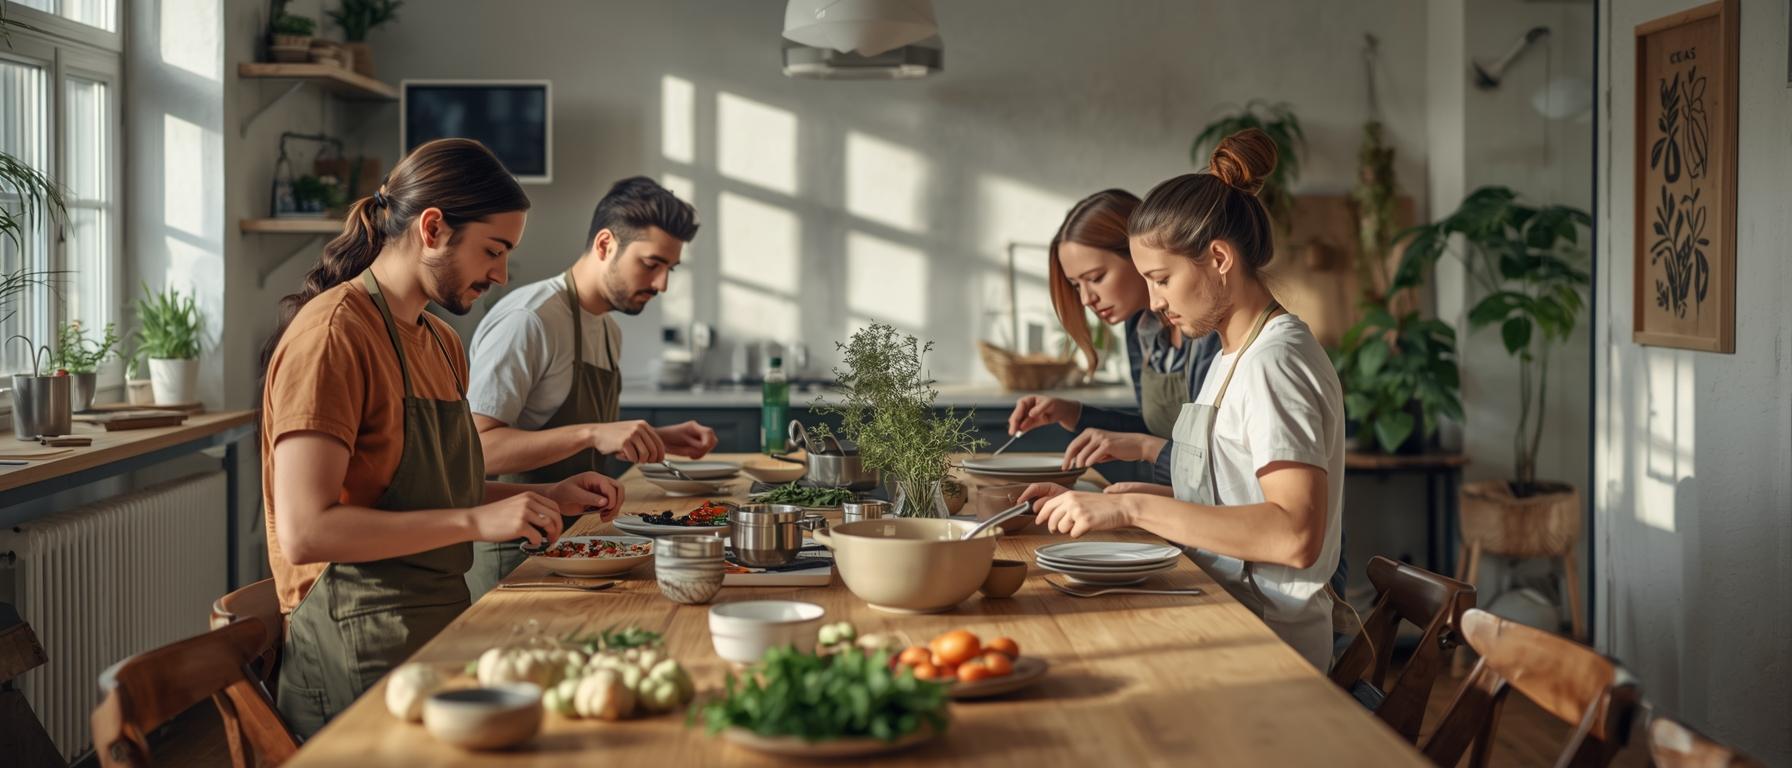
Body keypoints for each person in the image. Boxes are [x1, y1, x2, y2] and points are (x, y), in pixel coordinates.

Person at [259, 139, 624, 736]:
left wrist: (545, 496)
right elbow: (307, 532)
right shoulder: (332, 335)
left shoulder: (439, 341)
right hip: (358, 640)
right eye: (494, 250)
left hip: (442, 627)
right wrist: (479, 523)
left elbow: (428, 491)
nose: (502, 274)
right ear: (433, 228)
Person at [1022, 128, 1346, 671]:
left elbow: (1294, 536)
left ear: (1218, 258)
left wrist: (1131, 506)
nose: (1154, 301)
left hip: (1268, 647)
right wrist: (1130, 496)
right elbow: (1237, 492)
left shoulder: (1275, 362)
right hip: (1225, 612)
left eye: (1162, 279)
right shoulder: (1231, 355)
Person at [463, 176, 716, 597]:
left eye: (669, 269)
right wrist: (595, 432)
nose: (661, 285)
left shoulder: (607, 329)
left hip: (579, 545)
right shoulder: (529, 319)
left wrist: (659, 438)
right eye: (651, 264)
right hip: (517, 557)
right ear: (605, 245)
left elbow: (579, 435)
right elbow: (476, 451)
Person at [1004, 189, 1222, 481]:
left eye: (1095, 278)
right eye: (1075, 285)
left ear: (1137, 253)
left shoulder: (1206, 329)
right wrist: (1071, 413)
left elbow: (1212, 466)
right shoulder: (1140, 328)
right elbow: (1153, 433)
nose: (1085, 299)